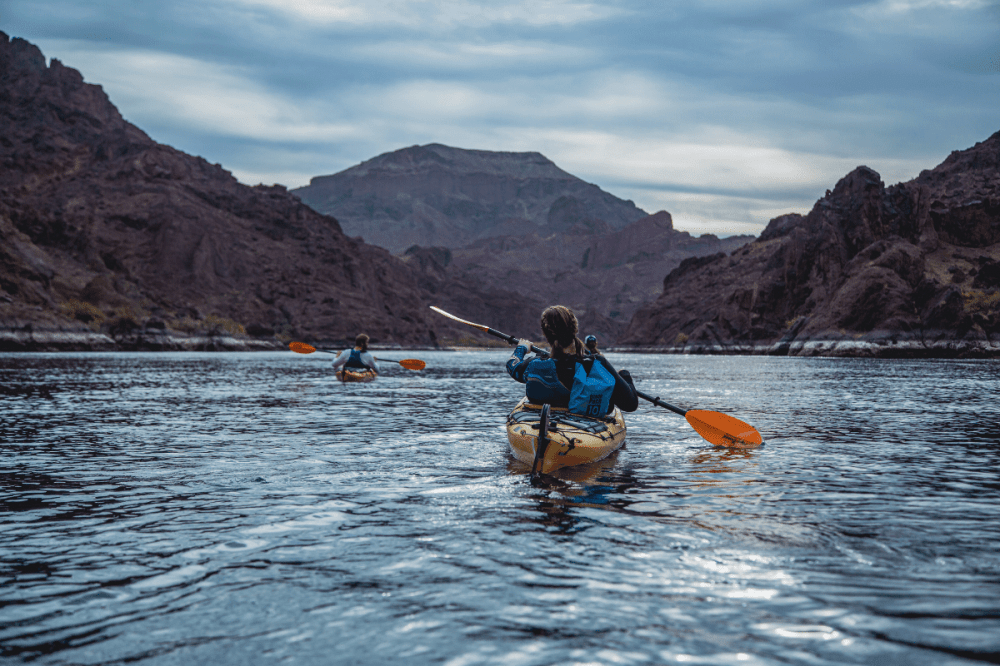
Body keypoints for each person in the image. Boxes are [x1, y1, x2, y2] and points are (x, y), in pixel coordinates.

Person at [506, 306, 637, 418]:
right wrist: (624, 375)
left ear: (546, 334)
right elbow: (630, 405)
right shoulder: (596, 365)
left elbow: (512, 367)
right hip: (585, 425)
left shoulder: (534, 364)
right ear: (575, 329)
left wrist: (522, 348)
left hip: (541, 416)